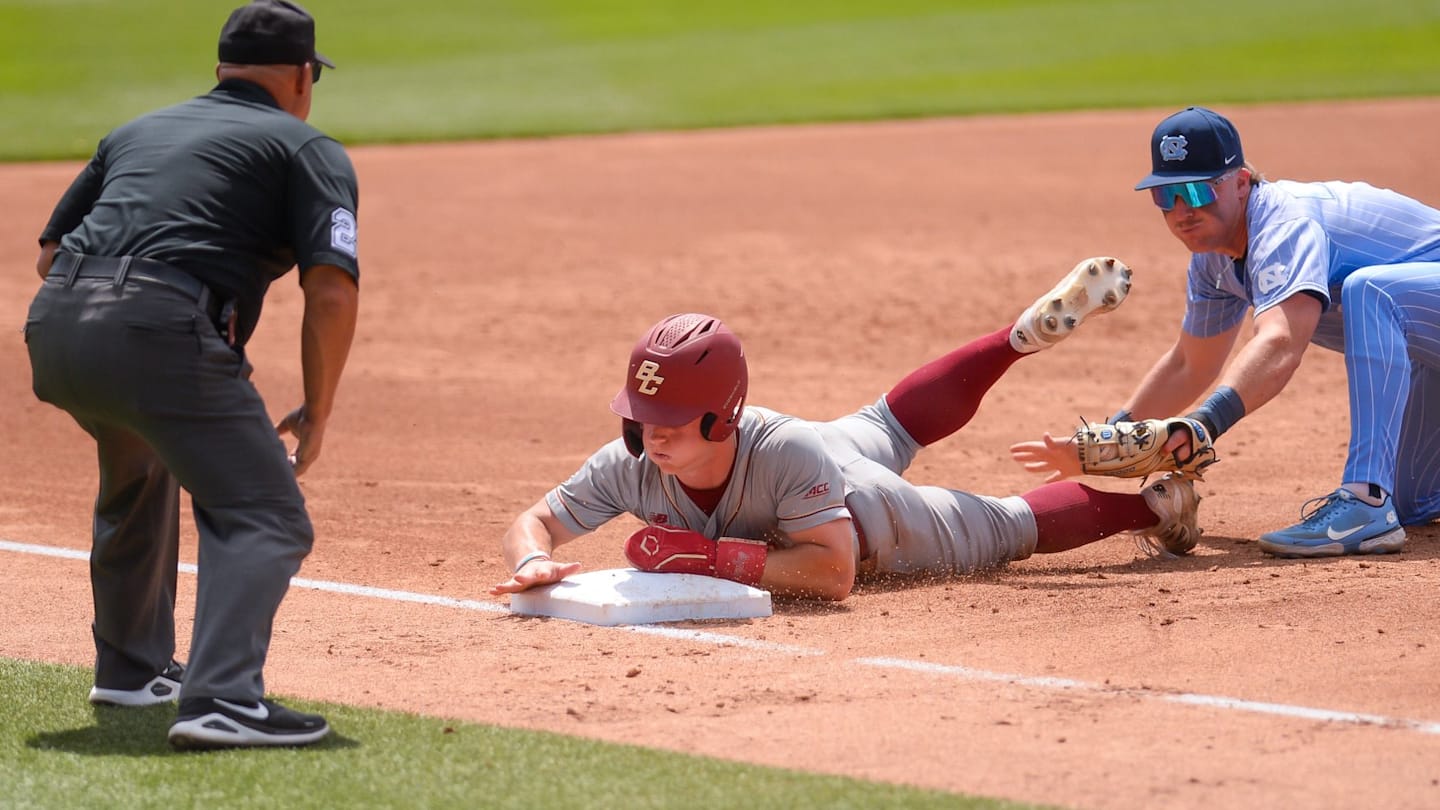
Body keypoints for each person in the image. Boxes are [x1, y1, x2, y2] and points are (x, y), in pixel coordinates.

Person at [24, 0, 358, 749]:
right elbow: (332, 291)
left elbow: (48, 257)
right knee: (266, 513)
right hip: (156, 331)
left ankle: (132, 667)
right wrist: (319, 411)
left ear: (220, 70)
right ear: (302, 76)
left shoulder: (136, 131)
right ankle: (226, 700)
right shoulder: (308, 148)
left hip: (56, 327)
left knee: (139, 472)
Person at [491, 257, 1201, 602]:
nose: (652, 437)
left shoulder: (784, 453)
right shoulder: (633, 461)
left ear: (721, 415)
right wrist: (531, 561)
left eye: (671, 421)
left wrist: (707, 558)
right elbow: (536, 521)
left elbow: (834, 575)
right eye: (642, 417)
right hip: (819, 448)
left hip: (867, 510)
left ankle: (1157, 504)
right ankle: (1013, 340)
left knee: (1009, 524)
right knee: (887, 419)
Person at [1014, 106, 1440, 558]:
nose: (1183, 211)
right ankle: (1383, 499)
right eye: (1166, 196)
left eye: (1197, 190)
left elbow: (1281, 342)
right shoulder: (1213, 260)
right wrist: (1110, 440)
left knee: (1370, 291)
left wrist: (1203, 424)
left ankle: (1364, 501)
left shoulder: (1284, 226)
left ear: (1240, 182)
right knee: (1410, 498)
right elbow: (1190, 365)